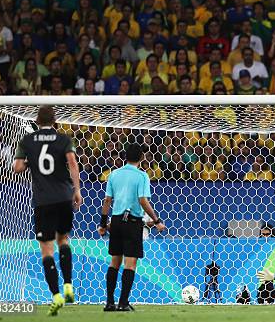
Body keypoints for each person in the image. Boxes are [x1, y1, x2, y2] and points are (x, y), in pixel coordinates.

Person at [13, 106, 82, 316]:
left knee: (47, 250)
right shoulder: (63, 139)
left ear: (36, 120)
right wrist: (76, 190)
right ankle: (69, 284)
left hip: (43, 201)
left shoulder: (27, 141)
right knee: (64, 240)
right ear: (54, 121)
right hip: (63, 198)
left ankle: (56, 295)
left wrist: (29, 162)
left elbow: (17, 168)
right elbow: (72, 163)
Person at [97, 143, 166, 311]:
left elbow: (107, 201)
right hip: (133, 222)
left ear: (124, 157)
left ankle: (109, 303)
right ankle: (123, 303)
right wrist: (157, 221)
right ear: (141, 158)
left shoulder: (114, 175)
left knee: (114, 262)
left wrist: (103, 224)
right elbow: (143, 200)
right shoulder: (142, 176)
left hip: (117, 221)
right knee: (130, 264)